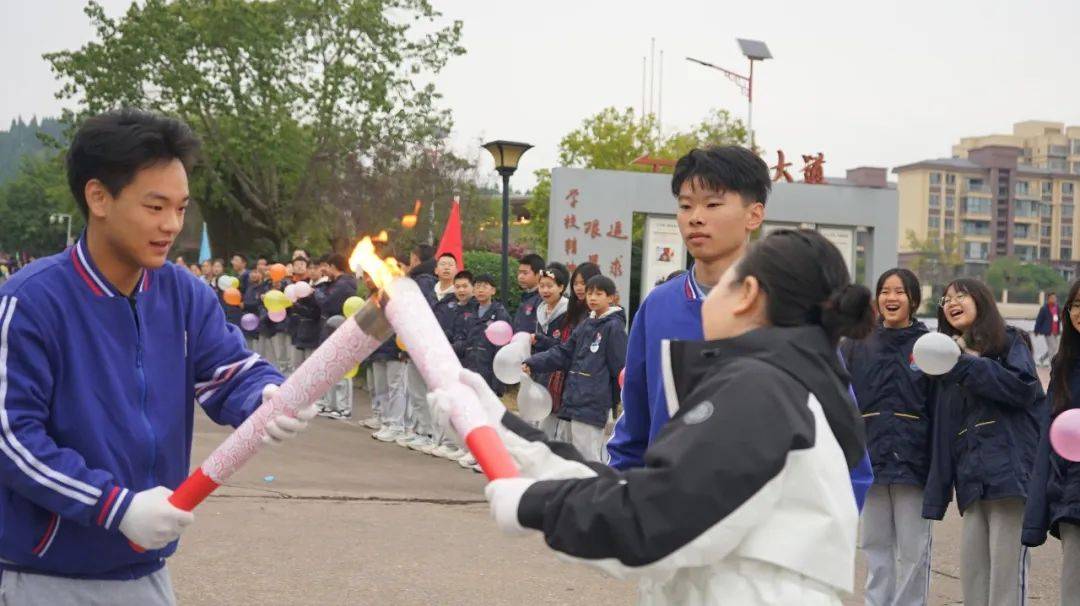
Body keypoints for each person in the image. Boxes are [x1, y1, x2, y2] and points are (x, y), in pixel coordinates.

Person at [429, 229, 871, 605]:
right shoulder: (787, 388)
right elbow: (646, 490)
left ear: (748, 296)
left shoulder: (763, 389)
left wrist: (534, 504)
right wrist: (497, 427)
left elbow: (654, 520)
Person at [0, 109, 313, 604]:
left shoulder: (183, 293)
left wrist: (264, 393)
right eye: (155, 207)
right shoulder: (33, 301)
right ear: (98, 197)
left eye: (181, 208)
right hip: (47, 576)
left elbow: (227, 372)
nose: (171, 225)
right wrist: (114, 506)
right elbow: (12, 437)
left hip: (146, 570)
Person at [605, 145, 875, 509]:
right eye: (686, 206)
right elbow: (635, 427)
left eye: (713, 205)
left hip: (765, 538)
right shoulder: (658, 306)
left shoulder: (788, 305)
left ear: (754, 214)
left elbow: (845, 444)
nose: (695, 217)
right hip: (668, 527)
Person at [923, 278, 1046, 606]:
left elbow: (1023, 389)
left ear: (982, 300)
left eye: (960, 295)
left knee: (1005, 579)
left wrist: (969, 364)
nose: (951, 302)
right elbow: (945, 427)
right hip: (972, 483)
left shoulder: (1009, 340)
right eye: (946, 298)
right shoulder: (948, 359)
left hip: (1010, 478)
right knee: (974, 577)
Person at [841, 269, 934, 606]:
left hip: (915, 461)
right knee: (874, 547)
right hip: (870, 458)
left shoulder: (928, 346)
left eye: (899, 291)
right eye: (885, 291)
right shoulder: (856, 342)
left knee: (914, 550)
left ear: (913, 299)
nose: (891, 298)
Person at [524, 275, 626, 462]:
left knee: (588, 454)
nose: (592, 298)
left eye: (599, 294)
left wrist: (612, 401)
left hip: (593, 401)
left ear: (611, 298)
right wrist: (533, 362)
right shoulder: (587, 323)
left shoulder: (614, 327)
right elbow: (564, 352)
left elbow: (619, 368)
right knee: (575, 453)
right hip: (575, 398)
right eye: (589, 293)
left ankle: (597, 489)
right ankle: (580, 489)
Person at [1023, 279, 1080, 605]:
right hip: (1072, 495)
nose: (1079, 312)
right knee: (1073, 588)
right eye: (1076, 304)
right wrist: (1036, 515)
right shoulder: (1063, 366)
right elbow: (1047, 438)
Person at [452, 273, 511, 397]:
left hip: (489, 371)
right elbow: (461, 337)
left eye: (484, 287)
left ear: (493, 291)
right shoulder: (468, 312)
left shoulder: (500, 314)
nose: (480, 290)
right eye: (477, 286)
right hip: (469, 368)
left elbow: (502, 350)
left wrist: (498, 383)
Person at [315, 253, 358, 419]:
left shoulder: (344, 284)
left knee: (342, 369)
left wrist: (316, 294)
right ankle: (331, 404)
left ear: (334, 267)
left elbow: (327, 303)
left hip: (340, 329)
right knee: (329, 368)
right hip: (329, 329)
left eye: (327, 266)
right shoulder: (334, 283)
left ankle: (343, 407)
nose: (325, 270)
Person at [531, 265, 571, 437]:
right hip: (541, 372)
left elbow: (564, 346)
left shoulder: (568, 312)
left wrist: (540, 340)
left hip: (558, 376)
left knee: (554, 426)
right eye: (542, 286)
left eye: (550, 286)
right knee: (539, 420)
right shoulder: (541, 310)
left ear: (561, 287)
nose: (545, 290)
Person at [288, 257, 320, 376]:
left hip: (314, 334)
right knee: (297, 370)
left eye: (315, 268)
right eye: (310, 268)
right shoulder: (303, 286)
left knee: (312, 371)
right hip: (300, 332)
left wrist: (298, 306)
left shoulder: (320, 288)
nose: (312, 271)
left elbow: (315, 313)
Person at [513, 253, 544, 334]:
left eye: (525, 273)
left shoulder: (543, 298)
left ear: (539, 275)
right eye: (519, 273)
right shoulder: (526, 296)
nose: (520, 277)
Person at [565, 262, 601, 331]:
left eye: (583, 283)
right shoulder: (574, 308)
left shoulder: (604, 313)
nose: (578, 288)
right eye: (575, 284)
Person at [1035, 292, 1061, 367]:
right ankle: (1052, 364)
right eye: (1052, 298)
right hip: (1048, 331)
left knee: (1055, 348)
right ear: (1048, 299)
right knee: (1052, 348)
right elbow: (1039, 320)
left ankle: (1042, 359)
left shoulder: (1057, 307)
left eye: (1055, 298)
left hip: (1056, 331)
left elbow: (1058, 319)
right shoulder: (1044, 308)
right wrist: (1036, 330)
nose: (1054, 299)